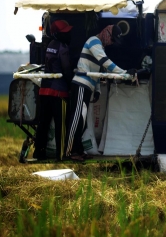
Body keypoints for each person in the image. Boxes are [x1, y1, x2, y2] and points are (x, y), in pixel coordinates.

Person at [65, 24, 136, 161]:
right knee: (77, 120)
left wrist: (97, 89)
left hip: (88, 86)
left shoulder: (100, 46)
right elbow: (104, 62)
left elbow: (96, 71)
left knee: (83, 121)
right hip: (81, 84)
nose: (112, 42)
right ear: (106, 33)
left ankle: (78, 150)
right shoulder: (94, 41)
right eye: (112, 39)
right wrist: (124, 73)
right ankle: (70, 152)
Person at [33, 20, 74, 161]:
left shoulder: (50, 45)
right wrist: (71, 85)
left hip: (45, 90)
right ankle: (61, 154)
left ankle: (39, 152)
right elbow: (67, 69)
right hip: (58, 92)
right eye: (66, 32)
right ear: (58, 34)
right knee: (60, 125)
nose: (68, 34)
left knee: (43, 123)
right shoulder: (63, 47)